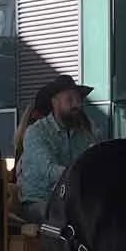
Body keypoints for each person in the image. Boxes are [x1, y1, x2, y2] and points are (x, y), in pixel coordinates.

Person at [17, 75, 94, 223]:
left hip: (72, 200)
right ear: (55, 102)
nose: (76, 104)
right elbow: (49, 171)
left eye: (78, 100)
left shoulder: (84, 135)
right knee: (65, 217)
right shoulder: (36, 132)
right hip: (38, 200)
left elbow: (92, 163)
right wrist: (82, 177)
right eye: (70, 99)